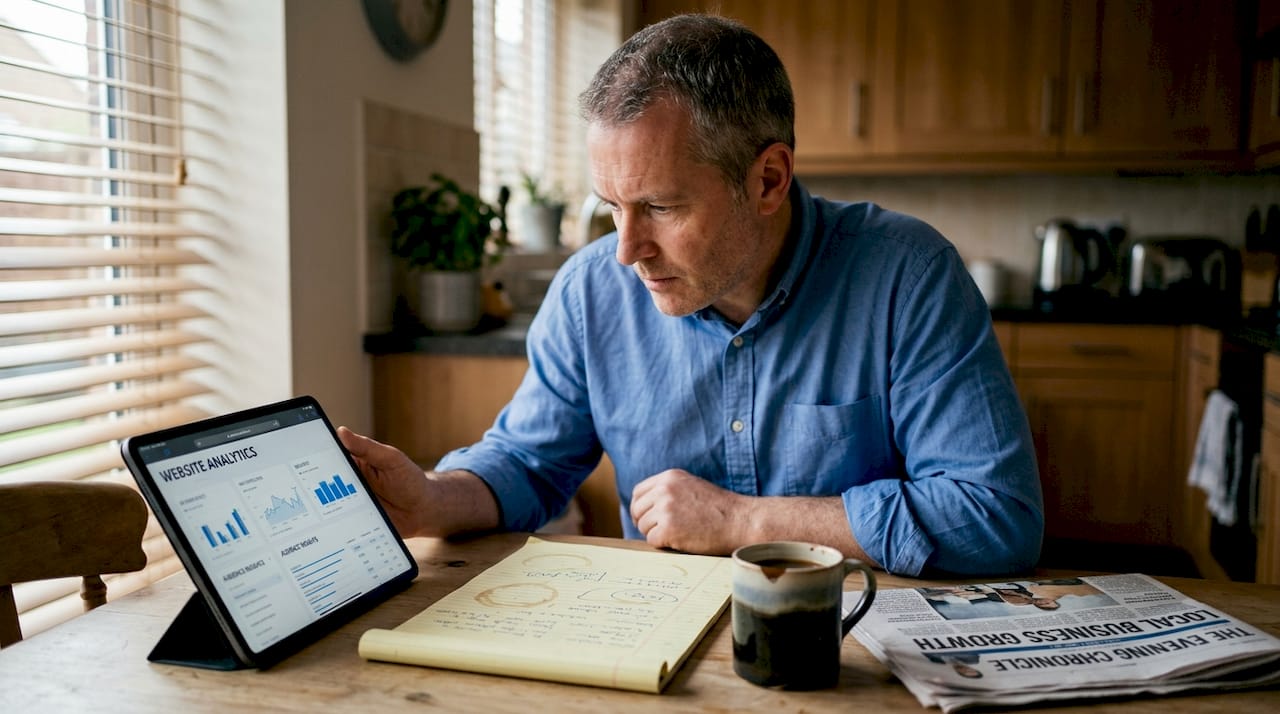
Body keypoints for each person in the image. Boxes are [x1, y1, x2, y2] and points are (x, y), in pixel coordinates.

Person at [339, 13, 1043, 576]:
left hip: (850, 641)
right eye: (611, 206)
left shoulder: (907, 276)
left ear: (768, 180)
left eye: (662, 208)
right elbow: (528, 463)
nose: (627, 248)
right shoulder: (591, 292)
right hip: (652, 644)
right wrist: (430, 499)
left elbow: (994, 516)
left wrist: (745, 521)